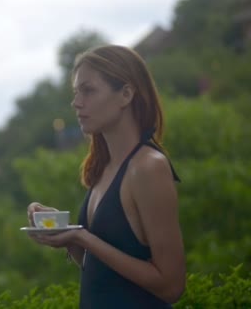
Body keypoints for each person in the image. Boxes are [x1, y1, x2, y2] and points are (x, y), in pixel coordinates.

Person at [26, 45, 186, 308]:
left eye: (88, 90)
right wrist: (67, 238)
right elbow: (101, 270)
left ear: (125, 94)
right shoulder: (105, 168)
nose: (76, 102)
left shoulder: (148, 167)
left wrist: (83, 237)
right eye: (76, 92)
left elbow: (171, 286)